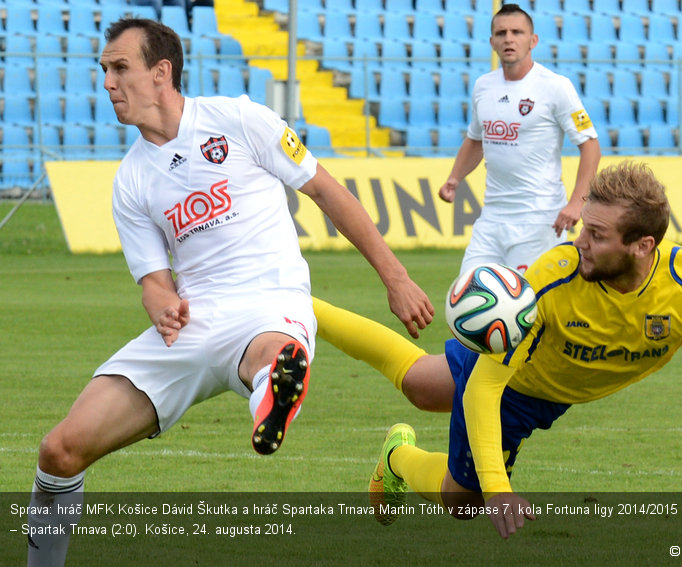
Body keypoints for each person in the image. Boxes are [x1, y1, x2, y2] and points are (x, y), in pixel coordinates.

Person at [26, 18, 434, 567]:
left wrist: (396, 276)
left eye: (120, 68)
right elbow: (153, 281)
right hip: (196, 322)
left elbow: (325, 190)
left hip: (272, 299)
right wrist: (162, 305)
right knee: (60, 450)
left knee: (273, 354)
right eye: (104, 70)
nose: (107, 82)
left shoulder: (239, 119)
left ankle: (275, 393)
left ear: (160, 73)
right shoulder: (130, 179)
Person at [314, 161, 682, 538]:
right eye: (584, 226)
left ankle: (390, 445)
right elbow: (485, 389)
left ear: (643, 246)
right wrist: (497, 487)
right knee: (463, 501)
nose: (580, 241)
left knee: (420, 387)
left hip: (551, 388)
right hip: (513, 385)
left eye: (598, 235)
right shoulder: (553, 277)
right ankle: (301, 313)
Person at [438, 3, 600, 275]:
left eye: (517, 32)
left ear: (533, 40)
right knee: (467, 294)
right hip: (492, 217)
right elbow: (476, 139)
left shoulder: (555, 86)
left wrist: (577, 202)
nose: (509, 38)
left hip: (539, 218)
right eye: (501, 33)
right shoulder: (483, 86)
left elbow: (591, 147)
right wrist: (454, 179)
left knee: (530, 305)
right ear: (492, 42)